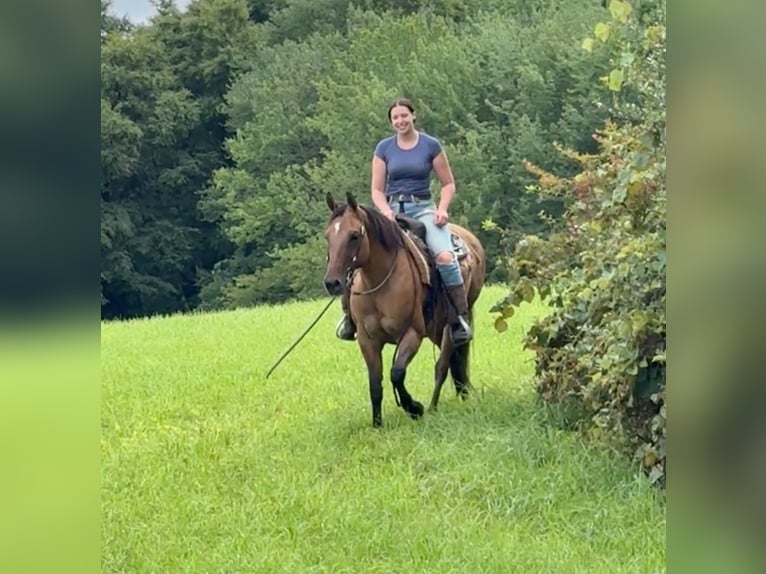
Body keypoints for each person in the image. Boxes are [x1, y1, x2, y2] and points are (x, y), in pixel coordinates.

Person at [335, 97, 473, 346]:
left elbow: (448, 184)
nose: (400, 121)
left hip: (423, 210)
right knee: (354, 253)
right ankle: (349, 317)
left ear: (413, 116)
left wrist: (442, 209)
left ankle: (458, 319)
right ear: (391, 122)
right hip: (391, 213)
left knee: (444, 257)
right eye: (395, 118)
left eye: (404, 116)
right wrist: (385, 211)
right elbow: (376, 189)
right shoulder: (384, 148)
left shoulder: (431, 145)